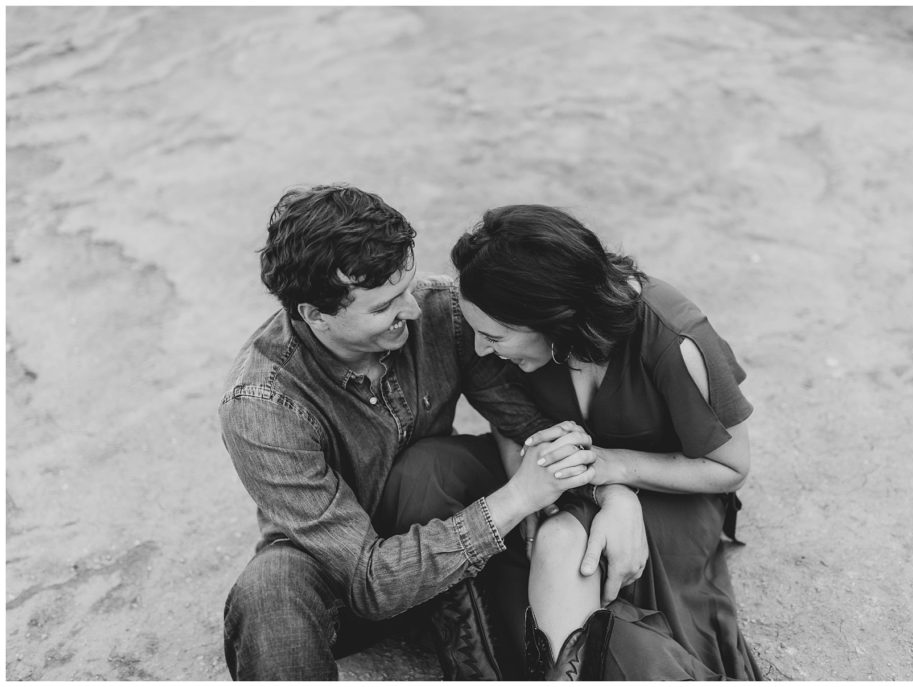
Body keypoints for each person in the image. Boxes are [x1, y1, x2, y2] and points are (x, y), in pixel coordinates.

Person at [218, 184, 644, 681]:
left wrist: (615, 491)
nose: (413, 311)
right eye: (384, 307)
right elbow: (369, 581)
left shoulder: (439, 311)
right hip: (345, 572)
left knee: (436, 464)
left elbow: (525, 422)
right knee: (269, 589)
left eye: (407, 287)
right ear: (316, 316)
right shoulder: (262, 404)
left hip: (441, 528)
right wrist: (515, 499)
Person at [451, 204, 764, 680]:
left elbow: (730, 466)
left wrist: (616, 468)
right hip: (569, 476)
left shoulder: (675, 340)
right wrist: (544, 490)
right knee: (555, 540)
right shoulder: (510, 333)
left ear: (552, 321)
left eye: (493, 336)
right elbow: (510, 423)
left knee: (562, 546)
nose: (479, 349)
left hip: (673, 489)